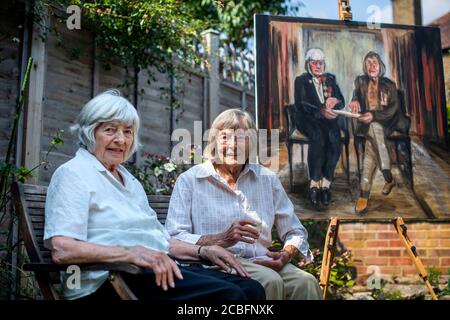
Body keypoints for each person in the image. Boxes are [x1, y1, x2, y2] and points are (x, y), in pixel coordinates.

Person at [43, 90, 266, 300]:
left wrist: (203, 250)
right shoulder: (74, 174)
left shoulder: (128, 180)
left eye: (127, 132)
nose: (121, 139)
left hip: (150, 271)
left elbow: (162, 242)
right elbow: (63, 249)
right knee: (229, 297)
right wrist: (132, 253)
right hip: (107, 282)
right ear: (89, 132)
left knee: (251, 289)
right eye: (110, 130)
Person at [165, 109, 322, 300]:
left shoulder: (267, 179)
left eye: (242, 138)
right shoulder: (190, 180)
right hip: (217, 262)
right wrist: (219, 239)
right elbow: (174, 236)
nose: (233, 145)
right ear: (213, 141)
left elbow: (295, 231)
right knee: (270, 281)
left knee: (306, 283)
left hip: (261, 259)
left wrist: (285, 255)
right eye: (225, 137)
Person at [349, 52, 410, 214]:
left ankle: (364, 194)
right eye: (368, 63)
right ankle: (387, 176)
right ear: (365, 67)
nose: (372, 66)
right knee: (371, 144)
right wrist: (354, 100)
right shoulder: (360, 81)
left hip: (387, 122)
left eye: (374, 63)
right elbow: (356, 94)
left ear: (380, 66)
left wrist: (374, 116)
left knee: (374, 132)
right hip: (368, 126)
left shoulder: (389, 84)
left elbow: (393, 110)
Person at [293, 48, 345, 207]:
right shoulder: (301, 80)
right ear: (308, 64)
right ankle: (314, 184)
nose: (318, 66)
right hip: (308, 118)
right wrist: (320, 111)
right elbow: (301, 104)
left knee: (335, 137)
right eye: (314, 62)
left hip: (326, 120)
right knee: (318, 137)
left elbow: (341, 101)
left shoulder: (330, 79)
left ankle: (326, 185)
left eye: (320, 62)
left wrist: (335, 101)